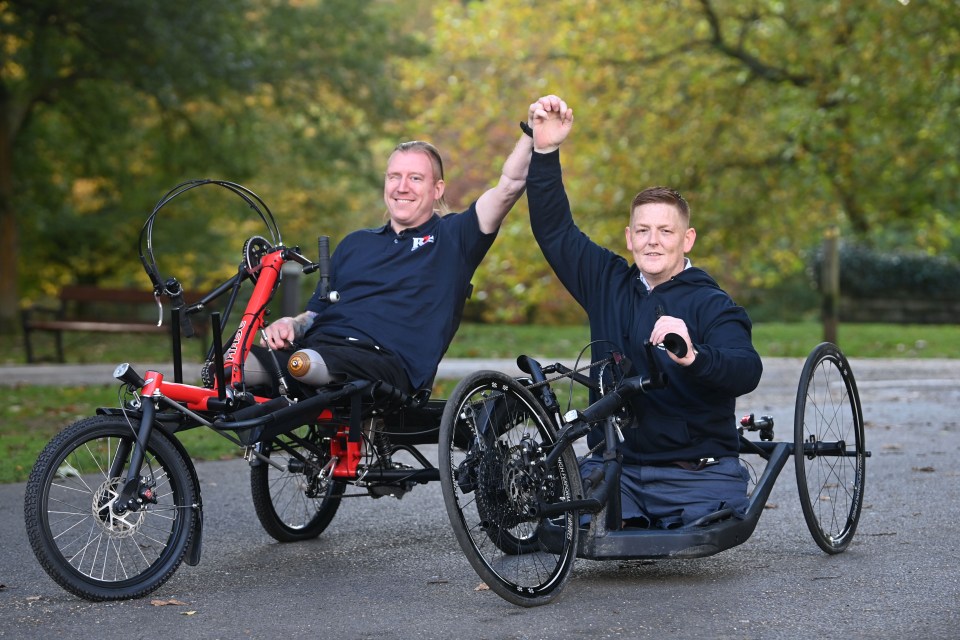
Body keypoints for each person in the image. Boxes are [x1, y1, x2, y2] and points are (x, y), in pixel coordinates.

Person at [525, 100, 763, 529]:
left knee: (683, 536)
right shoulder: (607, 281)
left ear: (686, 239)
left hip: (697, 473)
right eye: (643, 231)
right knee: (558, 525)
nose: (653, 242)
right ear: (629, 238)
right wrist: (544, 151)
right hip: (617, 469)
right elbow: (554, 230)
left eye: (666, 231)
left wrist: (694, 355)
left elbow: (746, 368)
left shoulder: (713, 303)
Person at [252, 96, 571, 397]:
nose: (402, 187)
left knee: (302, 365)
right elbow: (314, 314)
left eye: (415, 179)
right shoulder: (355, 244)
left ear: (437, 189)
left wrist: (533, 133)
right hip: (316, 351)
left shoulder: (454, 237)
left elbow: (509, 186)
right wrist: (290, 323)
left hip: (383, 366)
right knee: (229, 369)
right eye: (395, 177)